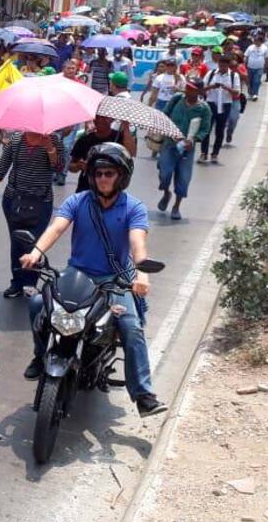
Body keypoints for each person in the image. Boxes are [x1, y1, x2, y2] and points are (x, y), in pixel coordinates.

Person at [19, 143, 166, 417]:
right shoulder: (78, 201)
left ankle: (144, 395)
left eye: (109, 173)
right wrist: (35, 252)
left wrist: (142, 274)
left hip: (115, 280)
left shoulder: (134, 208)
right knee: (38, 304)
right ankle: (41, 355)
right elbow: (57, 227)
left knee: (131, 328)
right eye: (98, 173)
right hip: (77, 276)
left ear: (121, 176)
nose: (103, 179)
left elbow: (138, 245)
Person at [0, 130, 65, 297]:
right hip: (14, 200)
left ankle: (30, 283)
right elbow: (2, 165)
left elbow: (59, 167)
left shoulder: (53, 139)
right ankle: (17, 282)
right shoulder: (16, 139)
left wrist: (50, 148)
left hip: (41, 202)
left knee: (34, 243)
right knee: (17, 242)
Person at [157, 80, 212, 221]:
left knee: (183, 178)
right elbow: (164, 115)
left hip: (187, 150)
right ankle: (166, 193)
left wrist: (193, 140)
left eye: (192, 89)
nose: (188, 90)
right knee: (164, 173)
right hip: (170, 144)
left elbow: (205, 130)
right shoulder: (177, 99)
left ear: (199, 91)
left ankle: (176, 206)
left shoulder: (204, 109)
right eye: (187, 87)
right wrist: (169, 131)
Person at [69, 114, 135, 193]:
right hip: (86, 189)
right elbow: (71, 166)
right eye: (97, 117)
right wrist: (79, 166)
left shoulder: (120, 138)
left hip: (112, 192)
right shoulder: (84, 140)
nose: (100, 120)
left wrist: (126, 127)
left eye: (104, 117)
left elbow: (131, 153)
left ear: (112, 119)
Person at [201, 55, 240, 165]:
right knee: (207, 129)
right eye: (220, 65)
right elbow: (202, 89)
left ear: (228, 66)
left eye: (224, 65)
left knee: (220, 129)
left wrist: (226, 87)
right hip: (211, 103)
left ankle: (215, 154)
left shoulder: (233, 76)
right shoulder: (211, 73)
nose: (222, 67)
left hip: (225, 104)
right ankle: (204, 153)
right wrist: (212, 86)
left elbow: (237, 92)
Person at [243, 36, 267, 101]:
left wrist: (266, 67)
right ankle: (250, 93)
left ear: (261, 41)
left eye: (257, 41)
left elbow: (267, 58)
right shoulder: (250, 47)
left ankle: (255, 94)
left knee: (256, 81)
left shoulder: (265, 48)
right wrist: (244, 63)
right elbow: (246, 56)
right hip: (250, 67)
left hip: (259, 68)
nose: (256, 42)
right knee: (250, 81)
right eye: (255, 40)